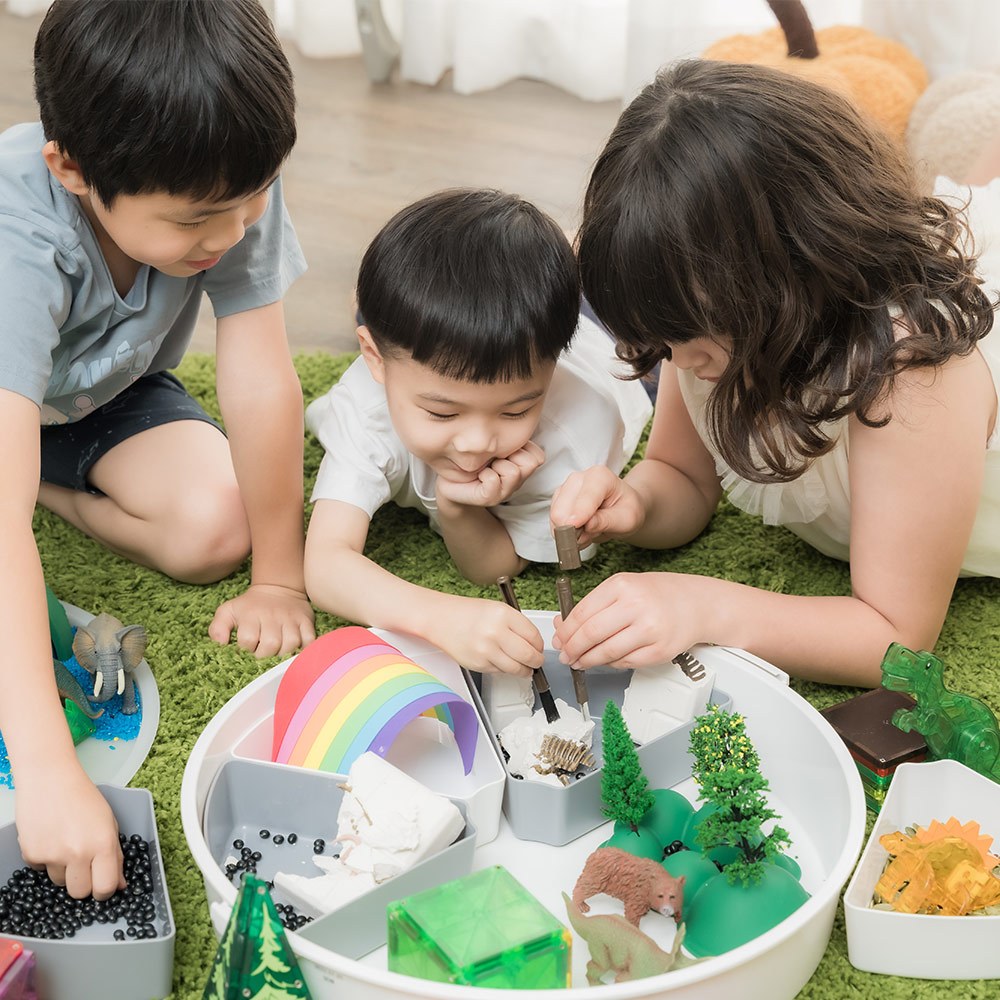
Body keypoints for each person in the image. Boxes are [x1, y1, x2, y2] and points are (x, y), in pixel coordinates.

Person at [550, 59, 1000, 688]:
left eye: (689, 333)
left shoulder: (910, 368)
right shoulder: (703, 323)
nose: (677, 362)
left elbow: (896, 636)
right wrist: (638, 503)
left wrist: (703, 607)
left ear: (793, 276)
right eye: (661, 338)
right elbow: (682, 476)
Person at [0, 0, 315, 900]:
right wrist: (49, 770)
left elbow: (261, 382)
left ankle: (45, 487)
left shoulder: (227, 177)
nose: (233, 231)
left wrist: (280, 577)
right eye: (196, 222)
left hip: (96, 401)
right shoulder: (18, 237)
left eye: (254, 197)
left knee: (218, 529)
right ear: (70, 169)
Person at [304, 189, 652, 676]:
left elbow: (498, 566)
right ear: (374, 360)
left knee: (640, 300)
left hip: (616, 348)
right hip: (505, 330)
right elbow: (325, 565)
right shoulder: (364, 404)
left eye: (516, 411)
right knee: (388, 306)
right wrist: (436, 618)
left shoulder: (574, 435)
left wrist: (459, 509)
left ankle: (579, 254)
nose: (476, 444)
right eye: (441, 413)